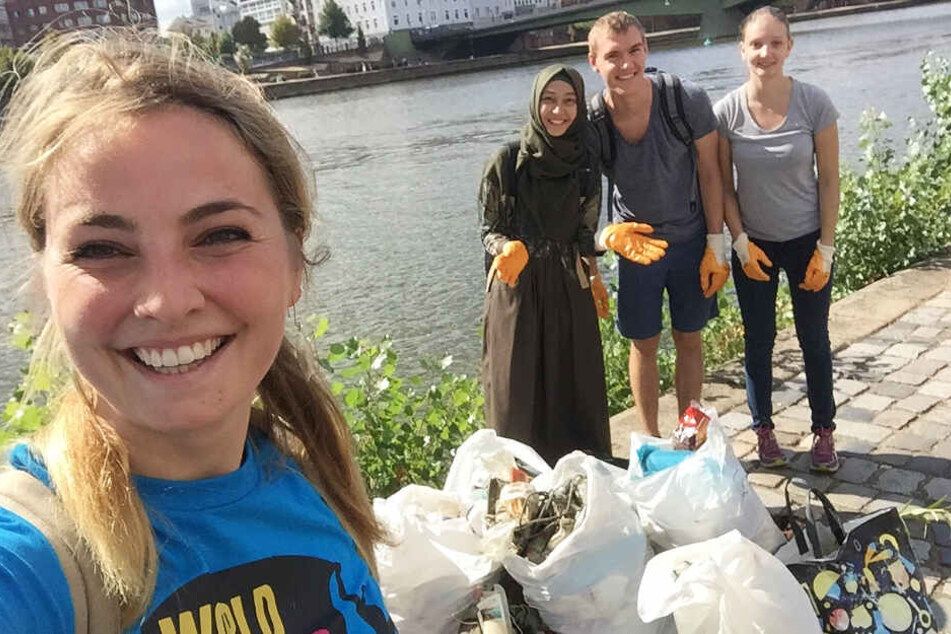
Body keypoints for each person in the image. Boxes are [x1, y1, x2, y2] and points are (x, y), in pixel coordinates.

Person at [0, 31, 395, 632]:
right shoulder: (30, 562)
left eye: (219, 235)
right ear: (45, 283)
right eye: (102, 248)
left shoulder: (316, 477)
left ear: (295, 264)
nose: (168, 302)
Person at [480, 64, 661, 465]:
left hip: (567, 288)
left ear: (579, 107)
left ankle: (580, 481)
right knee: (516, 395)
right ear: (535, 103)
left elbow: (583, 235)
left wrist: (602, 249)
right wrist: (507, 247)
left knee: (575, 392)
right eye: (548, 100)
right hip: (518, 291)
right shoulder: (507, 162)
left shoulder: (584, 165)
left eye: (568, 102)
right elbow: (489, 229)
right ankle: (518, 485)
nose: (558, 112)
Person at [587, 11, 728, 437]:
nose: (627, 63)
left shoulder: (686, 100)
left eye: (635, 50)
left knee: (690, 337)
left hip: (690, 240)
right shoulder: (592, 121)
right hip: (637, 246)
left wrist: (716, 246)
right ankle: (648, 439)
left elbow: (710, 171)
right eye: (614, 56)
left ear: (646, 49)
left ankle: (688, 434)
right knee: (642, 344)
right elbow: (584, 195)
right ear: (594, 61)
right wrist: (597, 250)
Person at [715, 6, 841, 471]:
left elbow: (829, 179)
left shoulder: (815, 103)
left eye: (775, 43)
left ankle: (824, 432)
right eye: (756, 44)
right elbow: (722, 185)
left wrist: (826, 248)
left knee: (814, 338)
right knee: (758, 339)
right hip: (755, 244)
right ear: (742, 50)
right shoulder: (726, 111)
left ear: (789, 46)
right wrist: (740, 242)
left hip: (808, 238)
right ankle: (763, 430)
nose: (765, 52)